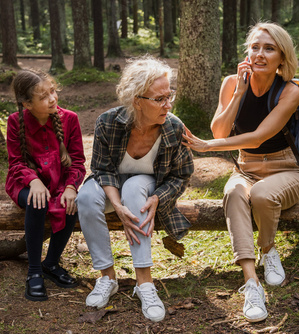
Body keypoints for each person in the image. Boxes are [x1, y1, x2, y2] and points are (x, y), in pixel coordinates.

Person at [183, 22, 299, 322]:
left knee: (263, 195)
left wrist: (208, 147)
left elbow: (259, 136)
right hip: (246, 167)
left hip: (286, 168)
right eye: (254, 47)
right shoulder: (230, 82)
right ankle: (251, 282)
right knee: (233, 191)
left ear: (282, 57)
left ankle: (269, 250)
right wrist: (238, 93)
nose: (259, 54)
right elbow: (220, 128)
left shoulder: (291, 91)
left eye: (269, 48)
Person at [77, 55, 194, 322]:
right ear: (136, 101)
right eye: (159, 99)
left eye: (169, 95)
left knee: (134, 187)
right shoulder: (108, 122)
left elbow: (182, 175)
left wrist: (157, 198)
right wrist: (116, 206)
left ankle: (145, 283)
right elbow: (102, 169)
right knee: (85, 196)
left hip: (147, 185)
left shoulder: (174, 127)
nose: (168, 104)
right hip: (112, 184)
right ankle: (107, 277)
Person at [6, 69, 86, 302]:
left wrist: (71, 187)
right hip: (23, 182)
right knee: (37, 200)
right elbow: (16, 163)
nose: (52, 98)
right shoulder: (15, 121)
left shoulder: (70, 118)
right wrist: (34, 182)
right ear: (27, 104)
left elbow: (78, 161)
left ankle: (50, 263)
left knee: (70, 203)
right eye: (43, 97)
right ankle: (34, 273)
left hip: (58, 181)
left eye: (52, 91)